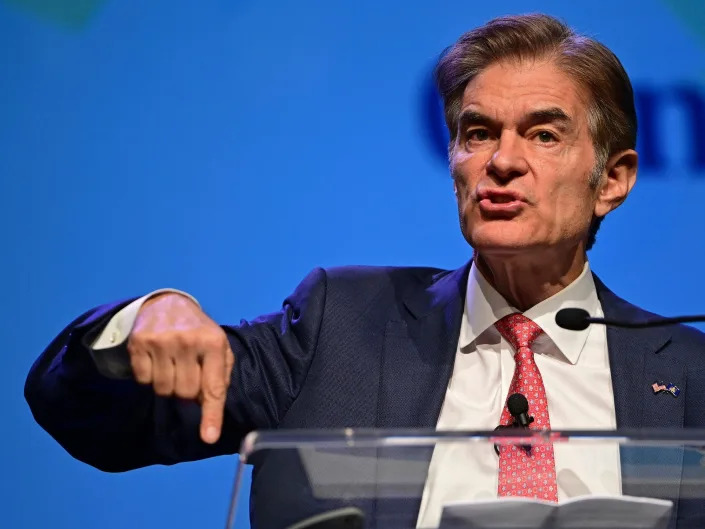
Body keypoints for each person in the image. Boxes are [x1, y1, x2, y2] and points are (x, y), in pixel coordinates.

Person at [25, 13, 705, 529]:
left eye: (542, 134)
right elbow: (93, 423)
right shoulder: (340, 323)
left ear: (611, 180)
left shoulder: (687, 373)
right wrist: (142, 319)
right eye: (477, 133)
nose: (500, 160)